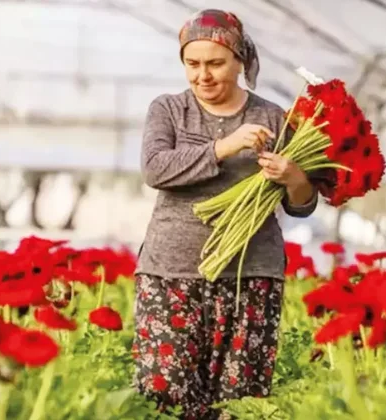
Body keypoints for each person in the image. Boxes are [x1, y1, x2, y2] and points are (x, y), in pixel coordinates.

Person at [132, 8, 321, 420]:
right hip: (171, 274)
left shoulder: (274, 117)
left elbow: (301, 204)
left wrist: (294, 177)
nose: (203, 75)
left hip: (249, 277)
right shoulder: (168, 110)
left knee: (239, 402)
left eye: (215, 63)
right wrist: (225, 146)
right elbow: (155, 169)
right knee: (164, 397)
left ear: (240, 61)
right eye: (192, 64)